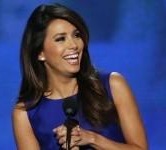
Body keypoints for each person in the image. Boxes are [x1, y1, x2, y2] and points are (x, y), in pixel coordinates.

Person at [12, 3, 148, 150]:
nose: (74, 45)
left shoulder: (113, 85)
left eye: (76, 35)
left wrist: (93, 139)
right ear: (40, 53)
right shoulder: (25, 113)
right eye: (60, 39)